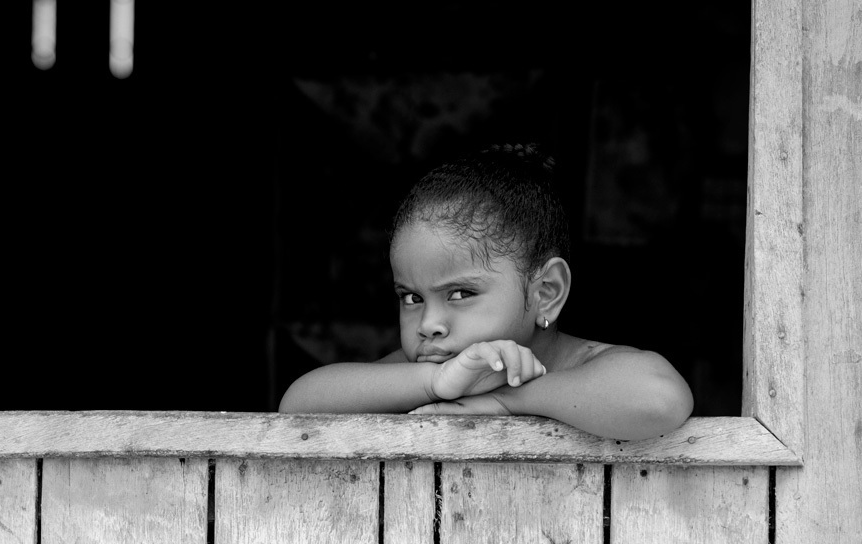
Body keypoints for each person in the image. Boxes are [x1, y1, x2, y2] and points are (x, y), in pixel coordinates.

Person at [278, 143, 694, 441]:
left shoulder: (588, 366)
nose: (429, 325)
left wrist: (509, 399)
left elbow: (660, 400)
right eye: (411, 298)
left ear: (547, 292)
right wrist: (437, 381)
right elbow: (297, 406)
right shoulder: (428, 372)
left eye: (460, 294)